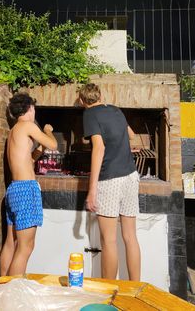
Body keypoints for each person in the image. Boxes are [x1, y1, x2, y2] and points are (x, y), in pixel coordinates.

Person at [79, 83, 141, 281]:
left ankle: (108, 291)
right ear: (100, 96)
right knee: (130, 237)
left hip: (110, 180)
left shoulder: (89, 114)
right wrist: (121, 146)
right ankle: (135, 289)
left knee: (109, 241)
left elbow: (99, 149)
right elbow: (131, 136)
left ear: (82, 101)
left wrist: (91, 190)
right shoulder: (115, 109)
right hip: (131, 176)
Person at [0, 92, 57, 276]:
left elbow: (30, 160)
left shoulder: (14, 131)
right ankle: (15, 294)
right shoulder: (28, 125)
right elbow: (54, 145)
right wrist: (48, 130)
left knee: (11, 243)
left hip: (14, 189)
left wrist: (41, 147)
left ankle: (2, 289)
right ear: (30, 108)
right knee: (25, 247)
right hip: (25, 190)